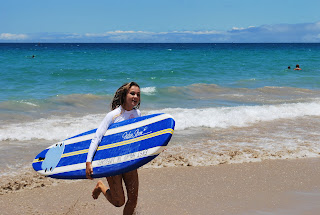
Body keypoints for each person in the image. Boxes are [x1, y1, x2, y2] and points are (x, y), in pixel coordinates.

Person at [86, 82, 141, 215]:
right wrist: (89, 162)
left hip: (129, 160)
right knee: (119, 201)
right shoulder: (113, 115)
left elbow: (140, 136)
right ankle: (101, 186)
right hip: (112, 161)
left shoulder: (137, 113)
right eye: (132, 93)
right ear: (124, 95)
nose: (135, 96)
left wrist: (156, 147)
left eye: (138, 94)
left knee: (133, 200)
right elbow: (97, 137)